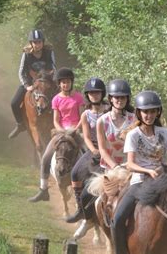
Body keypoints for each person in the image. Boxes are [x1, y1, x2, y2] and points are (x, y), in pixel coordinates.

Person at [111, 90, 167, 254]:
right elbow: (130, 164)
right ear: (139, 113)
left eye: (152, 111)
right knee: (117, 220)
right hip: (140, 182)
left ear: (158, 112)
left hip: (162, 179)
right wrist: (148, 171)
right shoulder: (133, 135)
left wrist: (161, 169)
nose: (149, 115)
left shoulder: (165, 133)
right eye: (145, 111)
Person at [28, 67, 85, 202]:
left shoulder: (78, 97)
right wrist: (61, 131)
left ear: (72, 83)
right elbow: (55, 120)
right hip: (60, 132)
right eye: (63, 82)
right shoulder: (56, 99)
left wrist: (76, 129)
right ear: (59, 84)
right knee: (46, 157)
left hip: (76, 131)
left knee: (87, 154)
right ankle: (43, 189)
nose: (65, 84)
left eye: (68, 82)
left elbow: (82, 116)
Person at [65, 77, 109, 225]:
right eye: (91, 93)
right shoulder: (85, 114)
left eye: (97, 93)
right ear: (87, 95)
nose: (94, 95)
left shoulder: (109, 110)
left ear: (102, 93)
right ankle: (79, 209)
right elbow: (86, 137)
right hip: (94, 149)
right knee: (75, 172)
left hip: (110, 149)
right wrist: (93, 150)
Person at [8, 29, 56, 139]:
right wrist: (26, 86)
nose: (37, 45)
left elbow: (54, 68)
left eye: (39, 42)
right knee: (14, 103)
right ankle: (20, 124)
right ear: (31, 43)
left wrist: (50, 80)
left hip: (46, 82)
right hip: (30, 82)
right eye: (35, 42)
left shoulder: (49, 52)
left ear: (43, 42)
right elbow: (21, 71)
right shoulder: (26, 54)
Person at [97, 79, 136, 171]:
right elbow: (102, 149)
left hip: (130, 166)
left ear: (127, 99)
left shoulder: (135, 119)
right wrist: (115, 167)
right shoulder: (101, 121)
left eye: (123, 97)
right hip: (110, 167)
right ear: (111, 99)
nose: (120, 100)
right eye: (117, 97)